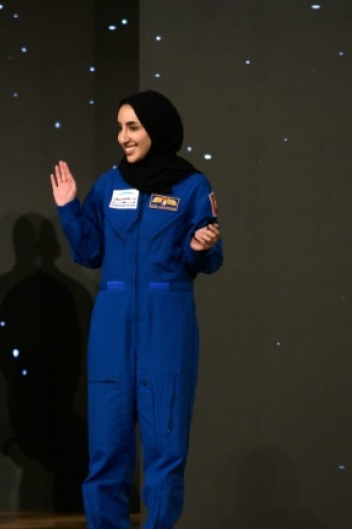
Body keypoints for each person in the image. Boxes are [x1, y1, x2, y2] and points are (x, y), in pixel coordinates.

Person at [49, 90, 223, 528]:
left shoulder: (192, 186)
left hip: (167, 325)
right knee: (106, 451)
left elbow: (207, 259)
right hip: (112, 325)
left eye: (133, 127)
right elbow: (89, 252)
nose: (123, 136)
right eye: (120, 127)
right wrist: (69, 207)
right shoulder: (110, 184)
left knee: (165, 450)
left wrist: (200, 247)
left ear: (156, 129)